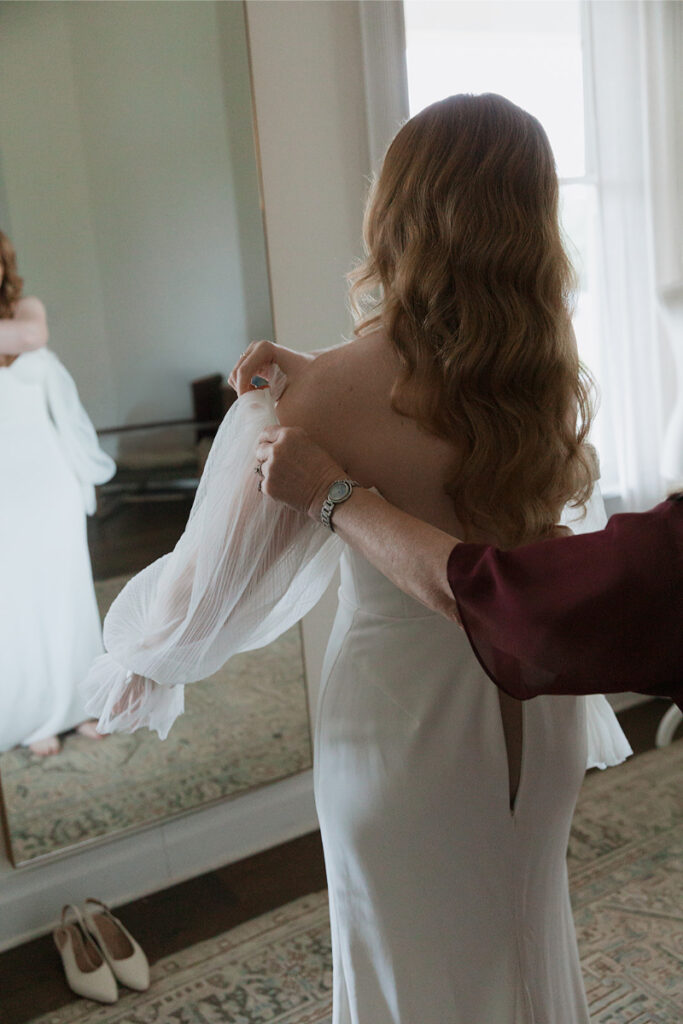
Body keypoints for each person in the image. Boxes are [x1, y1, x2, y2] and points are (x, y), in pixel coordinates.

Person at [85, 95, 632, 1023]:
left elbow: (202, 597)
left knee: (405, 968)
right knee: (525, 941)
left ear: (400, 210)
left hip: (399, 733)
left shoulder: (318, 400)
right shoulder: (541, 376)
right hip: (539, 719)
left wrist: (132, 655)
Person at [232, 346, 683, 713]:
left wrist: (324, 493)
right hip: (549, 731)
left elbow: (509, 599)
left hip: (397, 716)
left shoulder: (324, 397)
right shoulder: (542, 373)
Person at [0, 229, 116, 755]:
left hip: (49, 485)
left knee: (65, 595)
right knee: (18, 603)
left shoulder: (28, 310)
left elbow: (29, 340)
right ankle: (35, 714)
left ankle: (82, 705)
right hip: (6, 492)